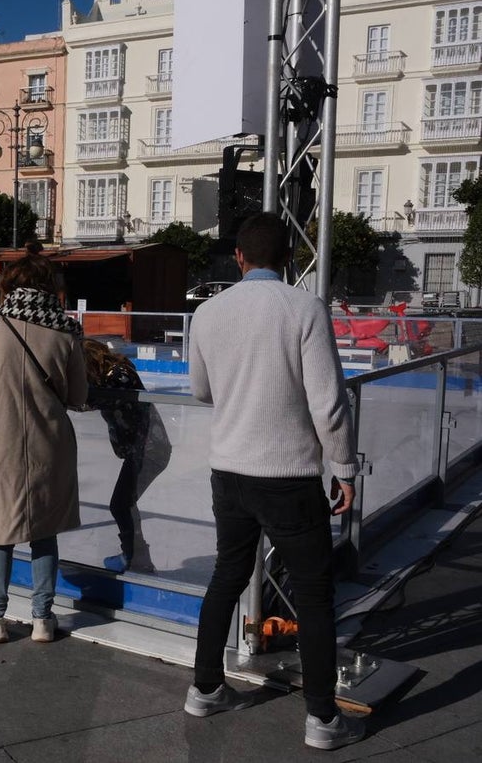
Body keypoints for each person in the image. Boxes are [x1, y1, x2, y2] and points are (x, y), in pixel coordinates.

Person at [185, 213, 364, 751]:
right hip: (288, 476)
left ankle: (204, 689)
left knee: (227, 577)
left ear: (238, 257)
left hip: (229, 472)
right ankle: (322, 718)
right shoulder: (304, 308)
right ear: (288, 258)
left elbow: (200, 390)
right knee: (313, 594)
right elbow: (328, 402)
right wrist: (345, 468)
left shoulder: (209, 312)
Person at [0, 251, 87, 644]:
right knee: (45, 530)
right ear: (49, 287)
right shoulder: (65, 331)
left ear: (9, 286)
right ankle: (42, 619)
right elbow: (78, 396)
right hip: (50, 446)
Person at [81, 339, 155, 573]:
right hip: (141, 449)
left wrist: (65, 396)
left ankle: (136, 558)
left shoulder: (119, 375)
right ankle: (137, 556)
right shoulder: (113, 374)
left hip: (149, 450)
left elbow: (96, 399)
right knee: (124, 503)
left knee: (121, 504)